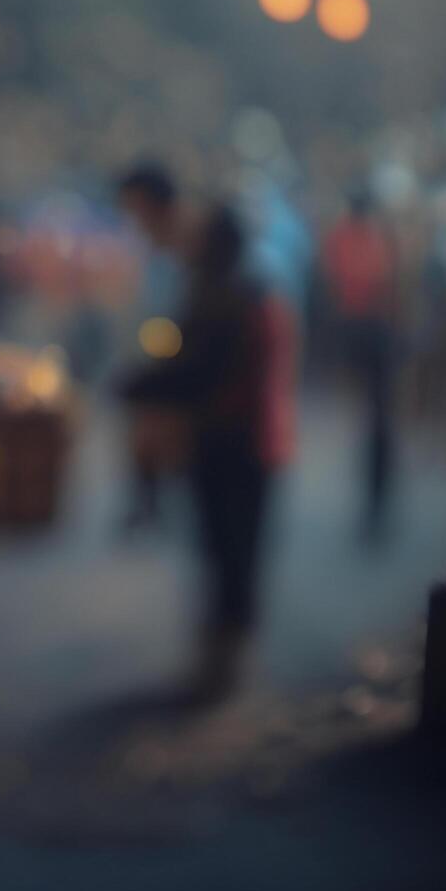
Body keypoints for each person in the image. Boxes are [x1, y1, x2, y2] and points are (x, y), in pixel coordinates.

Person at [119, 206, 293, 698]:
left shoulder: (225, 295)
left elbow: (198, 371)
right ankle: (224, 660)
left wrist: (138, 385)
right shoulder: (247, 288)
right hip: (248, 439)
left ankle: (223, 666)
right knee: (232, 552)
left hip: (232, 441)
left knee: (229, 552)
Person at [115, 165, 189, 530]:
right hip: (151, 349)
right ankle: (147, 500)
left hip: (171, 354)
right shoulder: (148, 243)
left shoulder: (180, 244)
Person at [320, 193, 398, 537]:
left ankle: (377, 504)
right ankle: (377, 504)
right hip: (373, 337)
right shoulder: (374, 239)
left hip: (370, 337)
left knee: (377, 424)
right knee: (378, 423)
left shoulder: (350, 239)